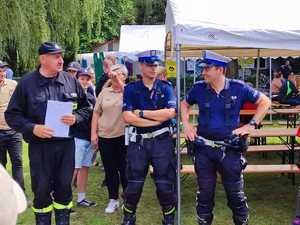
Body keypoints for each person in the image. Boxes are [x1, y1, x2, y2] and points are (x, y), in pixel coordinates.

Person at [181, 50, 271, 225]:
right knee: (205, 196)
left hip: (230, 150)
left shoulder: (238, 87)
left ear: (220, 69)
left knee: (235, 196)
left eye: (207, 68)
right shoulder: (199, 88)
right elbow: (184, 104)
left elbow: (265, 101)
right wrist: (186, 124)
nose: (203, 72)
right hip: (204, 150)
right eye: (203, 68)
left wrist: (250, 125)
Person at [5, 41, 90, 225]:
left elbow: (86, 108)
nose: (61, 60)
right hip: (40, 148)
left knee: (64, 189)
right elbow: (12, 115)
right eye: (56, 56)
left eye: (61, 56)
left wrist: (76, 118)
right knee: (42, 191)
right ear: (43, 59)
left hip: (66, 146)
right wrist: (33, 128)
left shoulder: (70, 81)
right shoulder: (27, 84)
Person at [121, 50, 177, 225]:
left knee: (164, 183)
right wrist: (154, 121)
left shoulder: (166, 87)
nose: (153, 68)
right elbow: (127, 117)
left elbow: (169, 113)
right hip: (138, 142)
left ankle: (168, 216)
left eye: (155, 65)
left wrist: (143, 114)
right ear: (141, 65)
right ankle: (129, 216)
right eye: (149, 65)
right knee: (134, 184)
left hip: (162, 142)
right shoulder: (131, 89)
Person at [91, 64, 128, 214]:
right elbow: (96, 113)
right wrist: (93, 134)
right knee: (110, 169)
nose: (114, 76)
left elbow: (132, 100)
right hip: (105, 136)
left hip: (123, 136)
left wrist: (119, 82)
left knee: (124, 169)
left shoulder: (128, 91)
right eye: (113, 74)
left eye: (118, 74)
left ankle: (127, 198)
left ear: (125, 76)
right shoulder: (104, 92)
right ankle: (113, 199)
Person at [0, 62, 26, 199]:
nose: (2, 73)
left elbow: (21, 104)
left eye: (3, 70)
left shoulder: (13, 85)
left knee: (18, 161)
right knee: (1, 166)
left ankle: (20, 194)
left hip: (14, 131)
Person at [72, 68, 96, 207]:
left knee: (85, 167)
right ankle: (65, 199)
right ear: (77, 79)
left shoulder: (92, 98)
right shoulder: (71, 96)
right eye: (82, 78)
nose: (85, 81)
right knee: (74, 169)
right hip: (76, 138)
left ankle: (81, 198)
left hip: (89, 138)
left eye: (87, 79)